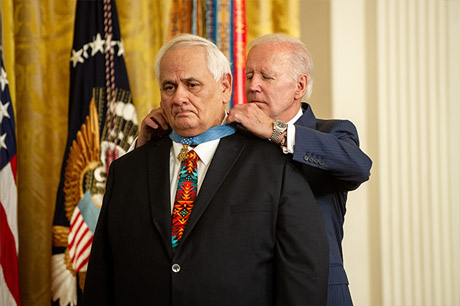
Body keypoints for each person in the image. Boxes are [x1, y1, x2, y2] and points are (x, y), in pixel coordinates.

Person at [82, 34, 329, 306]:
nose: (179, 98)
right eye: (169, 87)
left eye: (192, 85)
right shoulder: (126, 170)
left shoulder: (275, 163)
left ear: (225, 87)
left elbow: (303, 278)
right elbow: (101, 277)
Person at [136, 33, 373, 306]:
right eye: (248, 75)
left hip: (317, 293)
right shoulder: (232, 136)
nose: (253, 86)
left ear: (300, 85)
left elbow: (359, 166)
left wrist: (276, 132)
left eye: (266, 77)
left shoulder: (330, 133)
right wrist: (147, 143)